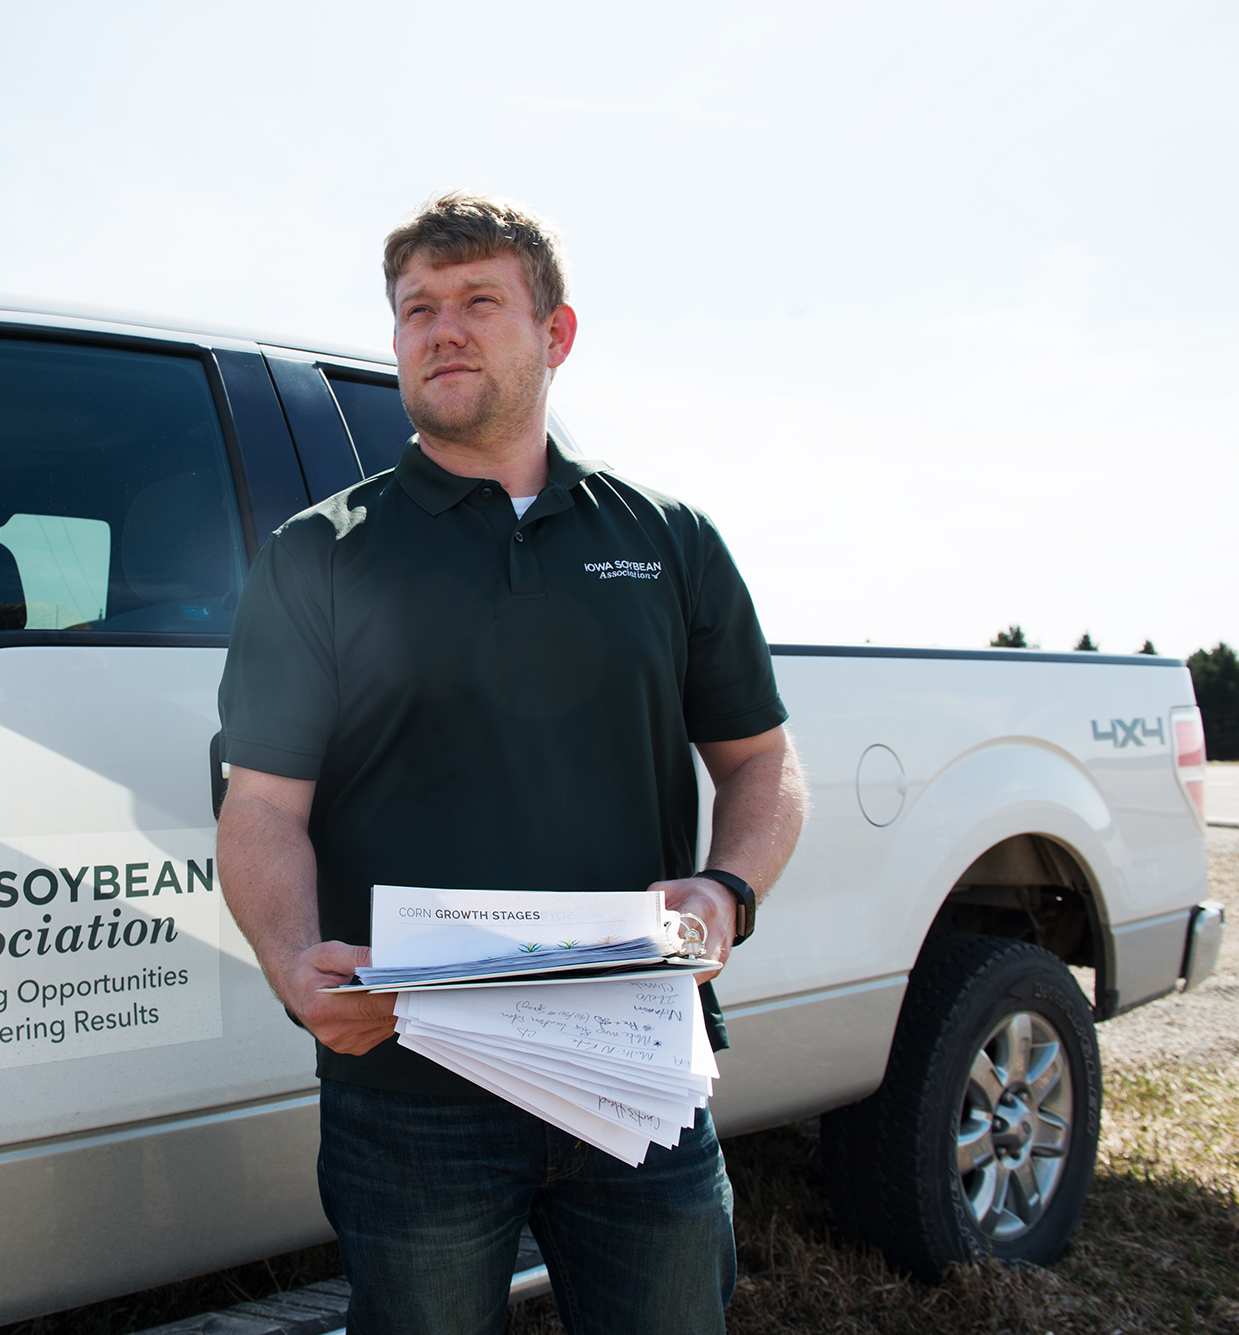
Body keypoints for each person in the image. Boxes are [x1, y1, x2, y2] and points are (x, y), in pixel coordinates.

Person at [214, 192, 809, 1335]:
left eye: (478, 300)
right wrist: (293, 964)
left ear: (555, 333)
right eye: (414, 309)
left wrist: (727, 889)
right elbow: (261, 807)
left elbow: (762, 762)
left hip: (634, 1064)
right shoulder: (318, 556)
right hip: (411, 1084)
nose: (441, 329)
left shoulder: (665, 539)